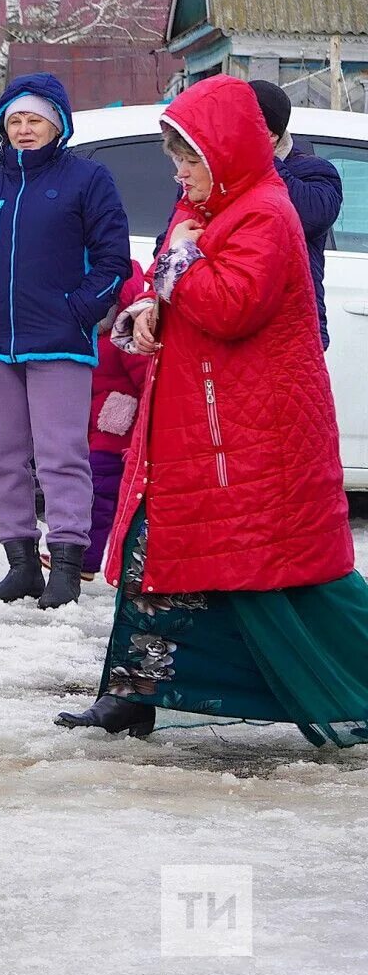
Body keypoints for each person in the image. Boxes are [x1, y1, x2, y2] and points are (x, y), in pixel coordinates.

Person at [56, 76, 368, 744]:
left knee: (285, 578)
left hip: (254, 431)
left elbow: (229, 307)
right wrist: (146, 312)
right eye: (176, 161)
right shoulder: (210, 207)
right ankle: (131, 697)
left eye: (190, 159)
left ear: (225, 149)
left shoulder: (265, 211)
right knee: (157, 552)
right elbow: (181, 291)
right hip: (198, 423)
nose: (181, 175)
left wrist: (177, 260)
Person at [0, 74, 131, 609]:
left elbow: (112, 260)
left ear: (57, 125)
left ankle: (66, 567)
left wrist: (80, 311)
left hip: (60, 343)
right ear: (1, 127)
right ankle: (20, 565)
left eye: (35, 120)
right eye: (14, 120)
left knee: (61, 456)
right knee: (0, 457)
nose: (24, 129)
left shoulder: (88, 181)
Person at [249, 80, 343, 348]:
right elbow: (172, 234)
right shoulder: (208, 174)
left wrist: (260, 158)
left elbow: (312, 216)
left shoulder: (315, 172)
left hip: (291, 333)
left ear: (271, 135)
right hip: (230, 325)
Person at [82, 261, 148, 580]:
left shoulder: (126, 337)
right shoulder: (94, 337)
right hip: (93, 432)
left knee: (100, 496)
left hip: (116, 433)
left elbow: (147, 382)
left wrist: (130, 415)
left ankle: (89, 560)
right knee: (93, 496)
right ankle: (86, 560)